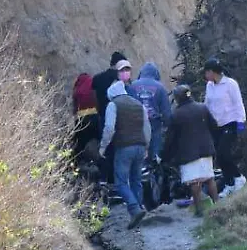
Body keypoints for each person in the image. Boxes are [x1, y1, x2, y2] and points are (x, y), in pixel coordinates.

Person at [100, 69, 152, 229]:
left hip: (124, 147)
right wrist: (146, 146)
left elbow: (109, 128)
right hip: (140, 146)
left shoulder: (113, 104)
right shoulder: (138, 105)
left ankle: (134, 209)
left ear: (111, 94)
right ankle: (139, 210)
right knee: (136, 179)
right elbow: (147, 127)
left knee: (121, 182)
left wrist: (103, 146)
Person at [163, 84, 220, 216]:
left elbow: (170, 138)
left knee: (195, 181)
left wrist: (165, 156)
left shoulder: (176, 114)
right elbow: (214, 125)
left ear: (177, 98)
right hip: (206, 149)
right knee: (209, 178)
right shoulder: (202, 107)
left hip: (188, 153)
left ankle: (199, 209)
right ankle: (217, 204)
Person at [203, 57, 246, 197]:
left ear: (212, 72)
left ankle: (238, 177)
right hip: (216, 125)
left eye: (206, 72)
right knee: (219, 157)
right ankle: (229, 184)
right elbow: (207, 104)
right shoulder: (209, 86)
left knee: (224, 152)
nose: (205, 75)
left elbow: (238, 103)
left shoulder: (230, 84)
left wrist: (241, 121)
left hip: (230, 122)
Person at [132, 62, 172, 161]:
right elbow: (166, 112)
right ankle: (153, 174)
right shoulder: (160, 87)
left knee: (138, 156)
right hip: (154, 125)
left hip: (136, 124)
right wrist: (167, 125)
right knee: (155, 156)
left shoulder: (133, 85)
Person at [71, 73, 104, 180]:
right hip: (94, 118)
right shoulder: (93, 88)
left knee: (78, 145)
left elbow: (74, 108)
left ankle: (74, 167)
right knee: (99, 141)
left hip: (81, 119)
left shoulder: (78, 90)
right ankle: (101, 167)